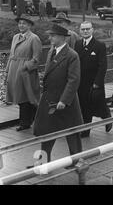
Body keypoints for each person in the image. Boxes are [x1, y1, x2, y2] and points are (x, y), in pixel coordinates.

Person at [33, 24, 83, 163]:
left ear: (62, 38)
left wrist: (64, 100)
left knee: (71, 132)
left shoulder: (72, 55)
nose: (50, 38)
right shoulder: (51, 51)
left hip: (65, 101)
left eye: (53, 35)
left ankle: (77, 161)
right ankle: (43, 161)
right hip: (50, 99)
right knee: (46, 131)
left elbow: (73, 80)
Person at [74, 21, 112, 138]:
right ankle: (86, 130)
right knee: (84, 106)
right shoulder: (78, 44)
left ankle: (107, 118)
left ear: (92, 30)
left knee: (99, 104)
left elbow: (103, 66)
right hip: (81, 82)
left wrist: (97, 82)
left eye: (87, 29)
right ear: (80, 31)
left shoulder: (99, 45)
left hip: (94, 82)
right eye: (83, 29)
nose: (85, 31)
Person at [5, 14, 42, 131]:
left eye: (24, 23)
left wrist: (25, 66)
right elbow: (12, 55)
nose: (21, 25)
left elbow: (36, 58)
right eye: (20, 23)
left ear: (30, 25)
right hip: (14, 70)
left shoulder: (34, 38)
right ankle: (29, 120)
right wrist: (7, 70)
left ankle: (26, 122)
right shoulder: (16, 37)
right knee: (20, 96)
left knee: (26, 96)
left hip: (26, 73)